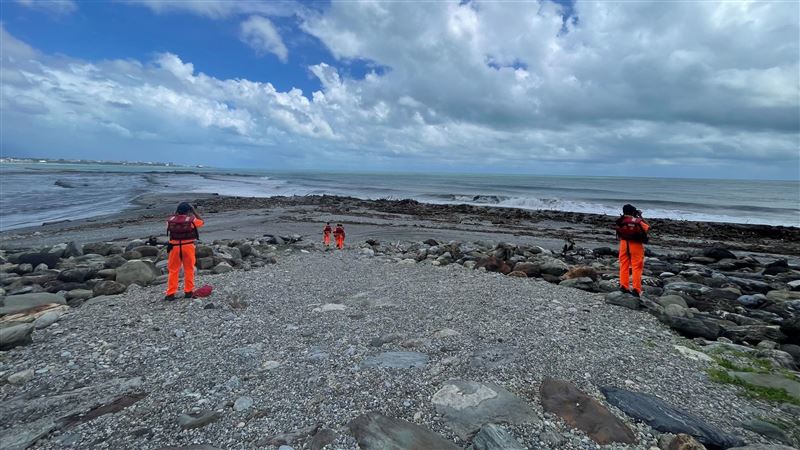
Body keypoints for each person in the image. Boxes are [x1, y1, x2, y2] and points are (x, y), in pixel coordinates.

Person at [165, 202, 204, 301]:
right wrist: (194, 211)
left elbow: (169, 227)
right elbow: (201, 222)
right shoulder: (192, 220)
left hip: (174, 247)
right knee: (189, 269)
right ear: (189, 211)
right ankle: (188, 291)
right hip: (188, 246)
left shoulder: (170, 220)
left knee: (173, 270)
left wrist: (176, 213)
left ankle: (170, 293)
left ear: (177, 211)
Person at [616, 204, 650, 297]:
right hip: (635, 245)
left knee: (624, 265)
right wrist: (640, 216)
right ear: (633, 212)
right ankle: (636, 289)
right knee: (636, 267)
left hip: (623, 244)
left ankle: (624, 286)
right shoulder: (637, 221)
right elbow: (647, 227)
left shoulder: (621, 220)